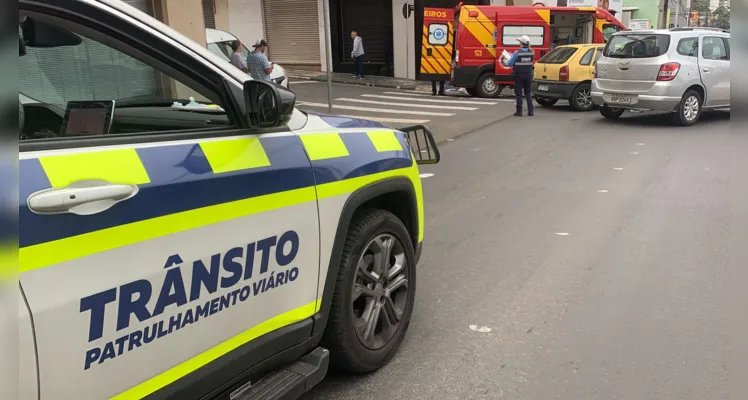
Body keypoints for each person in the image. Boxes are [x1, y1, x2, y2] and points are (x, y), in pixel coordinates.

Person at [506, 35, 535, 117]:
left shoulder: (517, 53)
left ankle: (519, 112)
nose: (519, 43)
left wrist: (509, 59)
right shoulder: (532, 52)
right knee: (528, 93)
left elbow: (509, 64)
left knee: (519, 94)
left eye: (520, 42)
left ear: (522, 43)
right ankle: (531, 111)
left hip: (519, 75)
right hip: (528, 75)